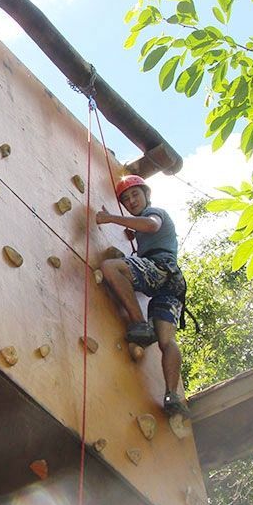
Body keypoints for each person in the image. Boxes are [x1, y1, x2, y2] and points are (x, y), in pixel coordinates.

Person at [96, 174, 189, 417]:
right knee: (167, 341)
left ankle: (139, 324)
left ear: (146, 195)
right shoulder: (140, 228)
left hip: (160, 267)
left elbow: (151, 225)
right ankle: (172, 396)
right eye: (126, 199)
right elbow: (145, 231)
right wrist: (132, 233)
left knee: (110, 267)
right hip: (172, 284)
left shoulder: (155, 212)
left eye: (135, 194)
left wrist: (110, 218)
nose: (131, 201)